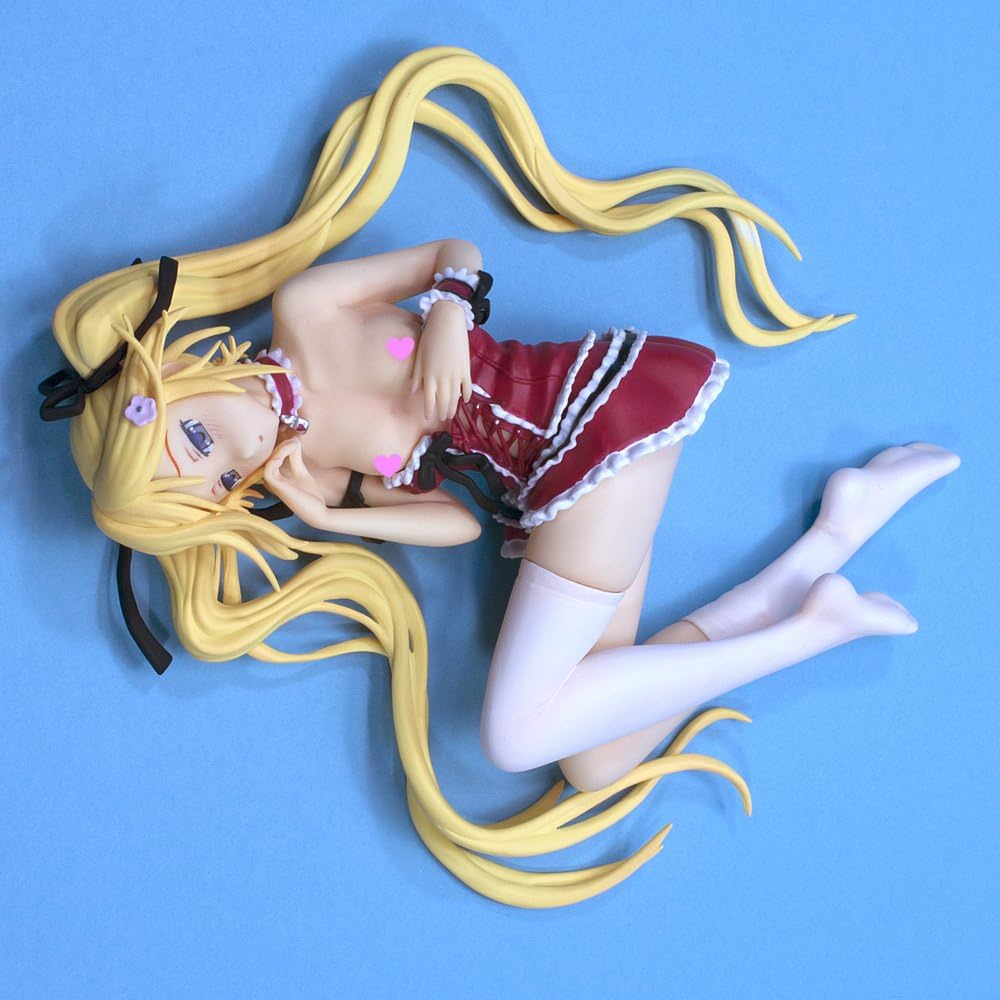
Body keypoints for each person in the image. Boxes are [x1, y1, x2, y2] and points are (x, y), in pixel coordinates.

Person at [41, 46, 958, 908]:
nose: (229, 461)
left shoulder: (306, 311)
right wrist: (333, 515)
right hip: (558, 501)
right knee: (595, 761)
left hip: (589, 414)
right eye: (213, 485)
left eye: (195, 435)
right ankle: (831, 541)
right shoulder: (313, 467)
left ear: (175, 376)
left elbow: (454, 252)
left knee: (514, 734)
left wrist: (447, 315)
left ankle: (811, 633)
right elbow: (458, 523)